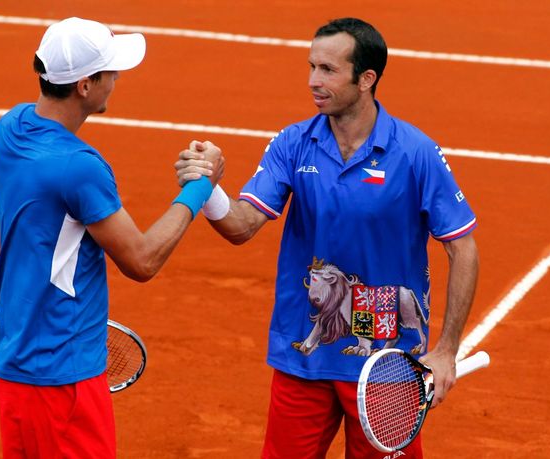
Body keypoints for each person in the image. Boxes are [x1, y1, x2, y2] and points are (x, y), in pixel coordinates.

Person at [176, 17, 479, 459]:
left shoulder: (415, 153)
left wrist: (447, 351)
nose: (313, 81)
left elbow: (463, 246)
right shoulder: (293, 143)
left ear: (366, 79)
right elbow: (241, 227)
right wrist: (204, 188)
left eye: (328, 70)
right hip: (306, 349)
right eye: (312, 66)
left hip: (385, 357)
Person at [0, 17, 222, 459]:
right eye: (110, 72)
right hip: (64, 383)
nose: (116, 81)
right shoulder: (79, 166)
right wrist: (200, 185)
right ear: (84, 85)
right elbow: (142, 261)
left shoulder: (11, 126)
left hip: (14, 373)